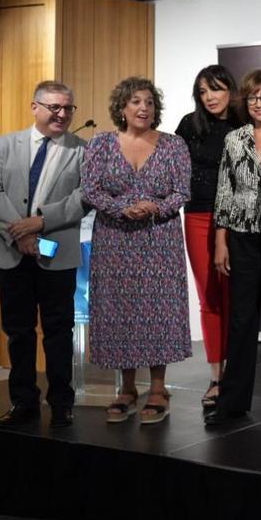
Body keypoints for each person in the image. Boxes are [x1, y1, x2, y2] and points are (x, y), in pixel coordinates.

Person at [81, 77, 192, 425]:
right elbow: (91, 190)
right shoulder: (100, 144)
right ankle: (127, 388)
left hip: (159, 238)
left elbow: (182, 192)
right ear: (122, 108)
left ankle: (157, 388)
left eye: (148, 102)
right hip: (115, 239)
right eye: (135, 102)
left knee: (158, 309)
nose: (143, 108)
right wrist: (121, 209)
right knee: (121, 309)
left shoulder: (174, 145)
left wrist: (153, 207)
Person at [204, 69, 261, 426]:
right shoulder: (234, 139)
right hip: (242, 237)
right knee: (241, 319)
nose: (258, 103)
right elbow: (224, 191)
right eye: (253, 97)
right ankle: (233, 401)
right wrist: (220, 240)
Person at [0, 81, 88, 429]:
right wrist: (18, 232)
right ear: (35, 106)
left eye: (68, 108)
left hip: (57, 255)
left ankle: (62, 402)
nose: (62, 114)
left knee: (58, 330)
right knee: (18, 331)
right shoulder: (6, 145)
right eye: (54, 107)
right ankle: (23, 401)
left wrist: (40, 222)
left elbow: (84, 197)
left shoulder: (82, 150)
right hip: (10, 251)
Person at [175, 65, 242, 411]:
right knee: (209, 297)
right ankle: (217, 376)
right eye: (203, 91)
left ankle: (236, 374)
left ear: (230, 89)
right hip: (198, 217)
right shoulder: (189, 124)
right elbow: (172, 166)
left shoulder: (245, 122)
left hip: (239, 220)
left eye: (216, 89)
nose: (210, 97)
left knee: (236, 297)